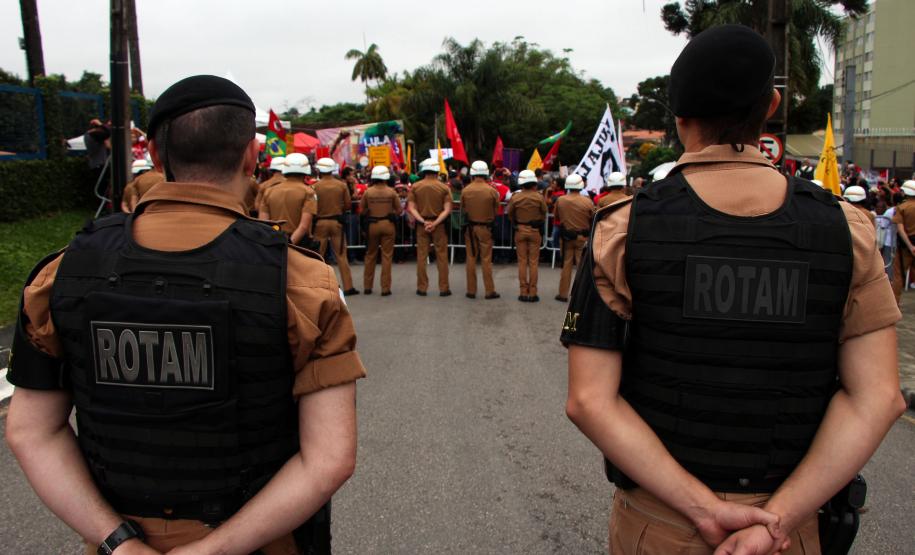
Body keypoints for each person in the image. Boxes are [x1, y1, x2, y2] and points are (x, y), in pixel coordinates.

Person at [561, 25, 905, 555]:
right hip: (790, 529)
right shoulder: (849, 229)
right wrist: (778, 518)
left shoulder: (624, 229)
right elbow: (878, 396)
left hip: (663, 521)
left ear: (677, 119)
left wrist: (704, 509)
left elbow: (589, 400)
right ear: (770, 105)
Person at [5, 74, 365, 555]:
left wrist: (119, 543)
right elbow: (330, 458)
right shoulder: (304, 285)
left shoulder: (60, 276)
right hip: (259, 541)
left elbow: (32, 430)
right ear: (250, 157)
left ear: (154, 155)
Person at [408, 158, 453, 296]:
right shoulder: (444, 187)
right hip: (438, 226)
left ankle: (422, 288)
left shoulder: (415, 187)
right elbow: (447, 209)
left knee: (421, 256)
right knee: (442, 256)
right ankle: (444, 288)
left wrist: (423, 222)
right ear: (436, 170)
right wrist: (435, 223)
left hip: (422, 226)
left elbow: (411, 208)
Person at [313, 157, 358, 296]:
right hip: (337, 223)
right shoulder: (341, 185)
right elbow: (348, 204)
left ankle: (316, 286)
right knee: (341, 255)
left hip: (320, 223)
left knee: (318, 256)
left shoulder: (315, 186)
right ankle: (349, 287)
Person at [260, 152, 319, 249]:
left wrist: (273, 244)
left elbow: (264, 223)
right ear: (306, 170)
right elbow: (304, 226)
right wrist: (289, 245)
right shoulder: (309, 192)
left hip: (274, 242)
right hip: (298, 244)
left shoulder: (269, 191)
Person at [461, 160, 501, 299]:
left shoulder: (465, 190)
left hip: (471, 229)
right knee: (486, 259)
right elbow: (496, 210)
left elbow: (463, 209)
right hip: (486, 228)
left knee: (471, 258)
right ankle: (489, 291)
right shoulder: (492, 191)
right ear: (486, 174)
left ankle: (471, 290)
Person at [360, 165, 403, 295]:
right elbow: (399, 210)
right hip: (388, 224)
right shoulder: (391, 192)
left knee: (370, 255)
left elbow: (362, 210)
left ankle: (367, 287)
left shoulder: (368, 192)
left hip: (372, 225)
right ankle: (385, 288)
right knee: (387, 256)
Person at [553, 174, 594, 302]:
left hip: (567, 238)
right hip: (583, 238)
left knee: (566, 266)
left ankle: (563, 294)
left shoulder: (561, 200)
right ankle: (581, 296)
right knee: (582, 268)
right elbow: (592, 218)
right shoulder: (587, 201)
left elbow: (556, 217)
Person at [507, 169, 547, 302]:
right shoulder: (539, 197)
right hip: (535, 231)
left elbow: (510, 214)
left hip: (520, 230)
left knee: (522, 262)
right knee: (534, 262)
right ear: (534, 183)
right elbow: (544, 213)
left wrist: (516, 223)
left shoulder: (515, 197)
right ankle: (533, 293)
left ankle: (523, 292)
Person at [891, 180, 915, 304]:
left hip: (906, 247)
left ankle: (894, 305)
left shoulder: (902, 207)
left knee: (898, 276)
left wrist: (911, 246)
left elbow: (900, 229)